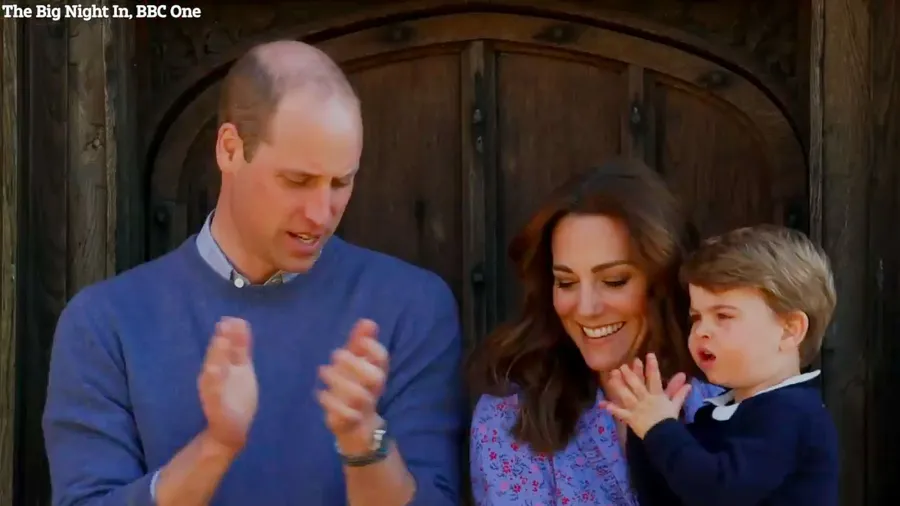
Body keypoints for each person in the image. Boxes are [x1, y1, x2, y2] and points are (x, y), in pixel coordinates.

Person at [42, 40, 465, 506]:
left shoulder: (412, 307)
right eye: (297, 181)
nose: (321, 213)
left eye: (341, 182)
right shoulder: (104, 324)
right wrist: (216, 447)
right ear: (229, 149)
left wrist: (365, 442)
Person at [467, 159, 722, 505]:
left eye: (613, 281)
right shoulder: (512, 417)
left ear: (663, 279)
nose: (586, 308)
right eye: (566, 282)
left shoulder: (732, 400)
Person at [602, 224, 839, 506]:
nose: (702, 330)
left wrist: (660, 428)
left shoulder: (793, 415)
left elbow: (719, 490)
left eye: (723, 316)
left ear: (790, 330)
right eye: (696, 317)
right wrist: (644, 432)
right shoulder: (719, 414)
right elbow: (667, 498)